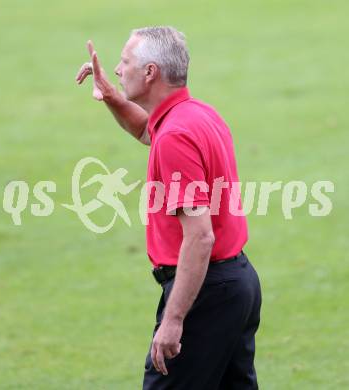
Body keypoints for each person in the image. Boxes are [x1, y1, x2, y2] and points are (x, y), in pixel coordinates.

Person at [76, 26, 262, 390]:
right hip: (236, 283)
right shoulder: (196, 115)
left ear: (150, 73)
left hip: (205, 293)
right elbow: (149, 132)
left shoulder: (175, 135)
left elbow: (200, 236)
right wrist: (112, 97)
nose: (117, 68)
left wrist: (175, 319)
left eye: (125, 62)